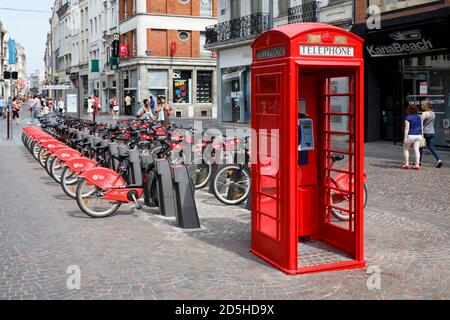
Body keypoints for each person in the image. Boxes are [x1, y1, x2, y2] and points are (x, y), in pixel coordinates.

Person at [420, 100, 443, 168]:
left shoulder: (424, 113)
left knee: (420, 147)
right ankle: (439, 160)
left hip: (425, 132)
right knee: (432, 147)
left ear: (425, 106)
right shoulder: (433, 113)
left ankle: (418, 161)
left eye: (422, 105)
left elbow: (421, 123)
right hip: (432, 132)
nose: (421, 106)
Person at [403, 105, 423, 170]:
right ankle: (417, 165)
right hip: (419, 135)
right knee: (416, 150)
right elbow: (422, 127)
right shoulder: (420, 116)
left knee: (406, 149)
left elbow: (407, 128)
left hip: (411, 135)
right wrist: (422, 135)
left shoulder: (408, 117)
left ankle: (406, 164)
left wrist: (405, 138)